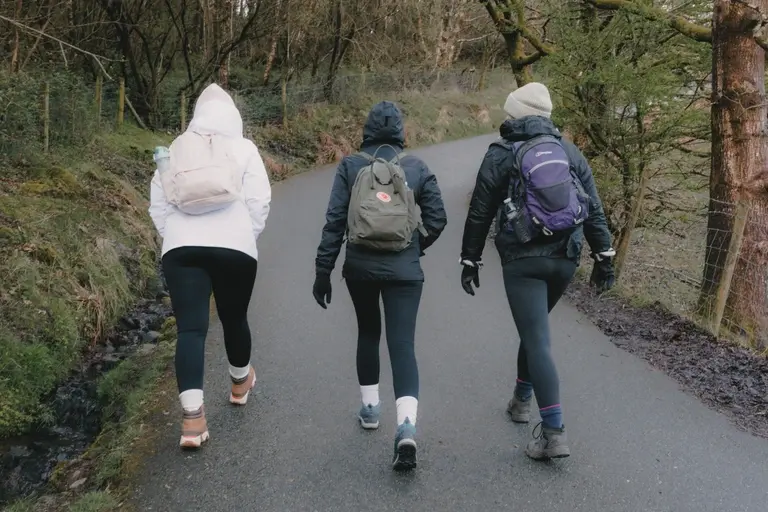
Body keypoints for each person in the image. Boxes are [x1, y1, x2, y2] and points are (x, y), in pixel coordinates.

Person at [459, 82, 615, 460]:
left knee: (537, 339)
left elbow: (480, 210)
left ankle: (553, 433)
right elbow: (592, 207)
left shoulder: (501, 153)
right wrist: (604, 256)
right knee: (534, 331)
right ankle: (520, 400)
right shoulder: (569, 150)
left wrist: (470, 258)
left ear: (515, 114)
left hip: (523, 259)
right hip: (566, 257)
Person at [312, 100, 447, 471]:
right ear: (401, 132)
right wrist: (413, 246)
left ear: (367, 130)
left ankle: (370, 409)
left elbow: (335, 221)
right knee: (402, 345)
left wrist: (323, 271)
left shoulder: (351, 166)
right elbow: (438, 218)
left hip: (360, 268)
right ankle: (406, 426)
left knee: (368, 332)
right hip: (406, 271)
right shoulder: (417, 167)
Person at [149, 83, 272, 449]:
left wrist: (175, 236)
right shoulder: (245, 148)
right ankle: (240, 383)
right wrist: (244, 235)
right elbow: (259, 201)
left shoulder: (176, 148)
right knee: (234, 318)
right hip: (235, 246)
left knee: (190, 329)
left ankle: (192, 420)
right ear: (233, 115)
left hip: (182, 248)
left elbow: (159, 203)